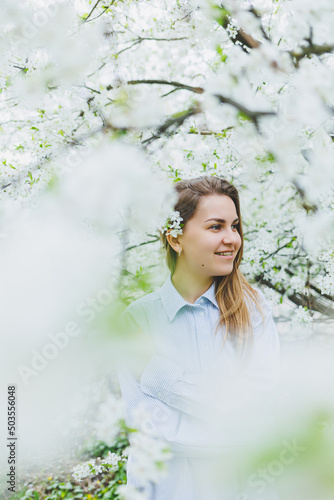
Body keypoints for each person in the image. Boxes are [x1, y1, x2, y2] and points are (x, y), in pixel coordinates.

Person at [117, 176, 281, 500]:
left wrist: (164, 379)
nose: (232, 238)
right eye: (216, 226)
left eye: (234, 226)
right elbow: (156, 433)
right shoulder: (138, 321)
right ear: (176, 238)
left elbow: (261, 415)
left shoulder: (254, 311)